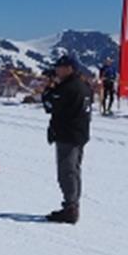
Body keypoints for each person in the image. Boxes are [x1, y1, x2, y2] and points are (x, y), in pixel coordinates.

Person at [41, 54, 92, 224]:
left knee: (67, 171)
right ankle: (72, 205)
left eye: (59, 67)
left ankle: (70, 208)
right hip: (79, 134)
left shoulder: (68, 87)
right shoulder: (83, 85)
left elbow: (50, 105)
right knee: (74, 171)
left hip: (68, 134)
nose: (56, 70)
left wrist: (48, 89)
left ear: (69, 68)